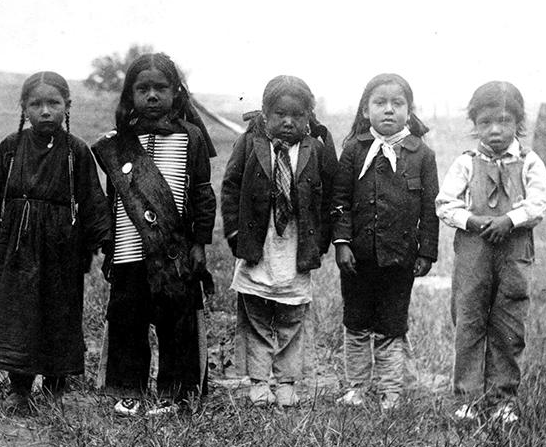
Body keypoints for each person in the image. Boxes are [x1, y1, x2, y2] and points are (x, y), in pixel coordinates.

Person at [92, 52, 217, 416]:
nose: (151, 96)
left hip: (175, 251)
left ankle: (175, 393)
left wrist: (199, 245)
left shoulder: (191, 138)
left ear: (176, 93)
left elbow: (202, 195)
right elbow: (115, 201)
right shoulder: (118, 144)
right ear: (129, 94)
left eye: (160, 88)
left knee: (176, 323)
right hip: (131, 250)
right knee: (128, 322)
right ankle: (128, 390)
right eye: (142, 88)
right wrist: (112, 247)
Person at [0, 72, 111, 410]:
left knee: (59, 312)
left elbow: (93, 200)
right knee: (18, 314)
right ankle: (19, 389)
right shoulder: (11, 147)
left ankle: (56, 388)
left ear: (67, 106)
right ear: (23, 108)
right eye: (36, 104)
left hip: (61, 248)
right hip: (17, 247)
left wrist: (104, 244)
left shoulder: (76, 151)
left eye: (53, 103)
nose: (45, 111)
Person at [436, 81, 546, 424]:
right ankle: (468, 398)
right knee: (469, 320)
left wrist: (509, 219)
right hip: (474, 251)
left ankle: (503, 398)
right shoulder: (466, 163)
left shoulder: (530, 162)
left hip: (514, 250)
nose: (495, 130)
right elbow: (445, 203)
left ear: (519, 122)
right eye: (485, 122)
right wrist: (470, 220)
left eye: (504, 121)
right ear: (475, 125)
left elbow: (539, 202)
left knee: (509, 323)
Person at [221, 75, 338, 407]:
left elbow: (328, 196)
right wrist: (233, 232)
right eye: (279, 115)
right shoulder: (249, 145)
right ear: (265, 113)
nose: (288, 122)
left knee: (292, 315)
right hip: (261, 241)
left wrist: (323, 239)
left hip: (296, 244)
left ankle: (286, 380)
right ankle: (259, 381)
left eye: (297, 115)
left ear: (308, 117)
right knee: (256, 312)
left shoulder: (315, 150)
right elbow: (230, 188)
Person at [332, 73, 439, 411]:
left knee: (392, 325)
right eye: (380, 103)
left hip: (400, 259)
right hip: (358, 258)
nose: (389, 110)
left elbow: (430, 208)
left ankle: (391, 392)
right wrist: (342, 242)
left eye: (397, 104)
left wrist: (427, 252)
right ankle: (357, 388)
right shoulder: (353, 150)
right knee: (357, 322)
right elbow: (340, 200)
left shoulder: (422, 155)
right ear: (366, 110)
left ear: (410, 110)